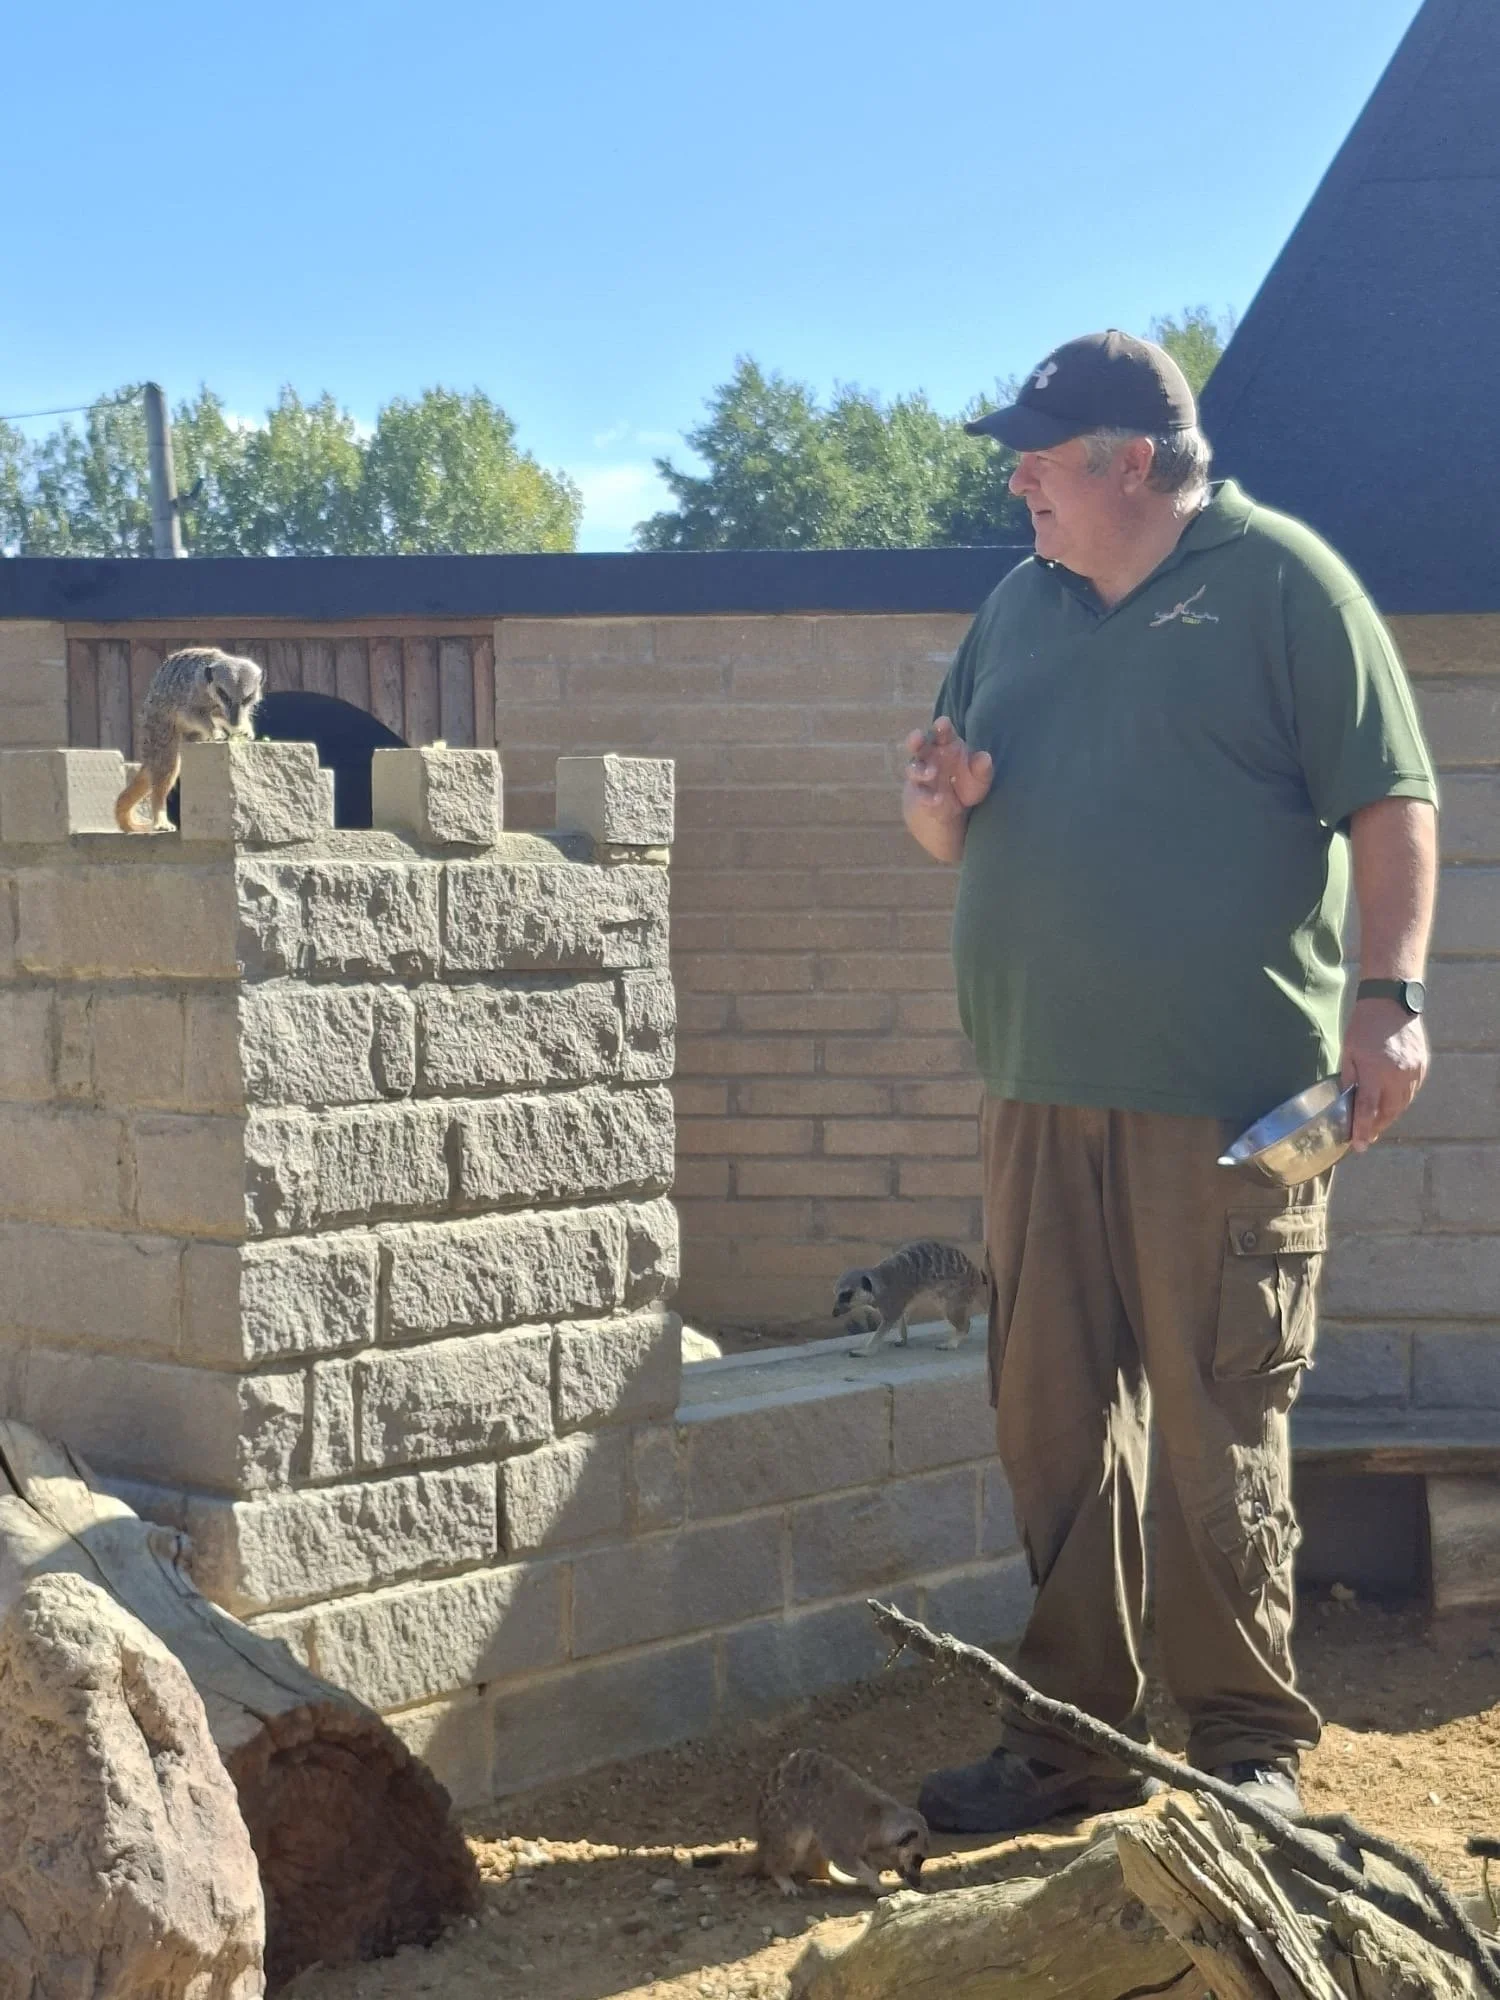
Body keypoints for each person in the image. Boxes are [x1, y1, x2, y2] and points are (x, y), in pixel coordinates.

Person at [904, 330, 1438, 1832]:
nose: (1016, 480)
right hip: (1034, 1089)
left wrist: (1388, 1001)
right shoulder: (1018, 605)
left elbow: (1393, 805)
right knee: (1051, 1423)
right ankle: (1068, 1744)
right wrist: (940, 808)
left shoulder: (1286, 586)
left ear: (1128, 463)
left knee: (1217, 1416)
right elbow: (956, 828)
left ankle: (1244, 1741)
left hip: (1223, 1106)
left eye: (1038, 455)